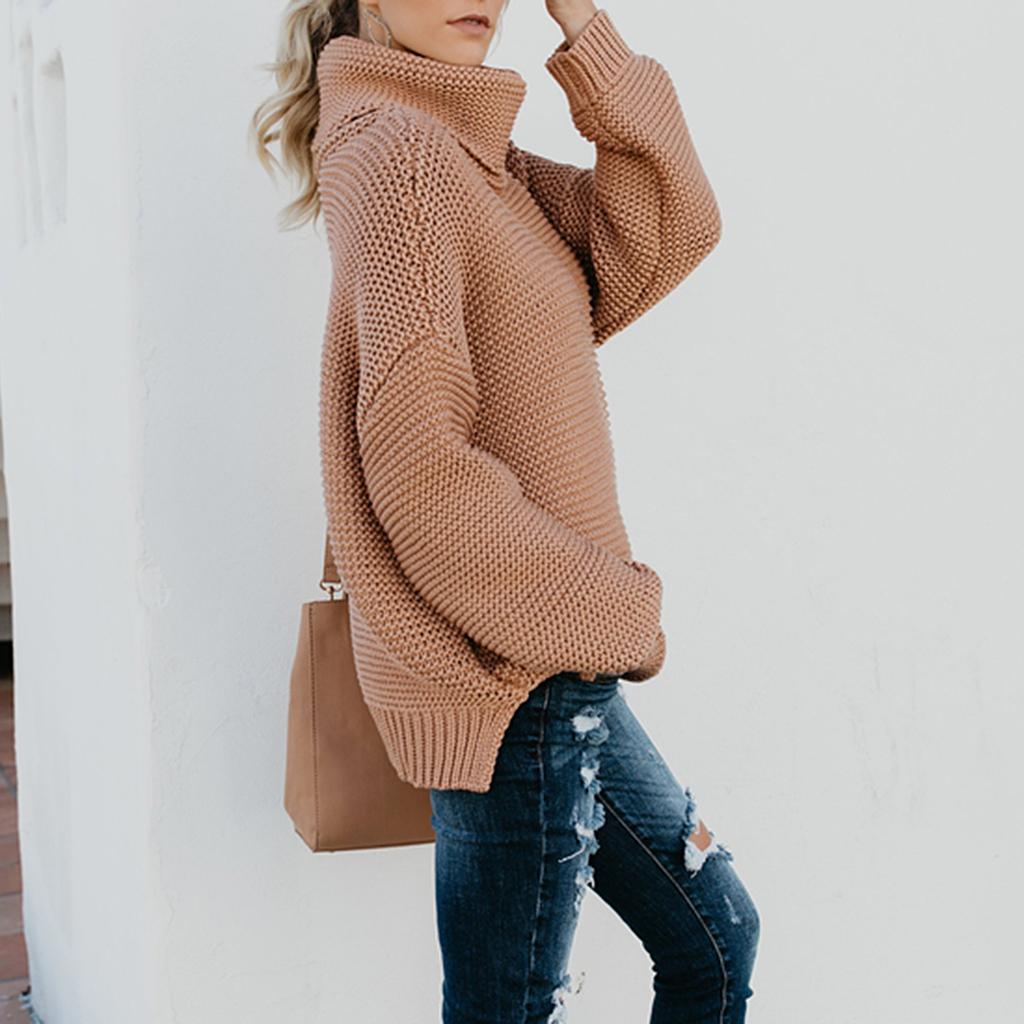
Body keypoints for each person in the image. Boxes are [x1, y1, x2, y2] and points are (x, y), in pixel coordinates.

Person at [252, 1, 760, 1020]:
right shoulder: (400, 153)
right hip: (509, 679)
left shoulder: (482, 160)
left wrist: (586, 27)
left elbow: (671, 229)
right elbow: (418, 468)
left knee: (715, 937)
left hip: (547, 665)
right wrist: (613, 610)